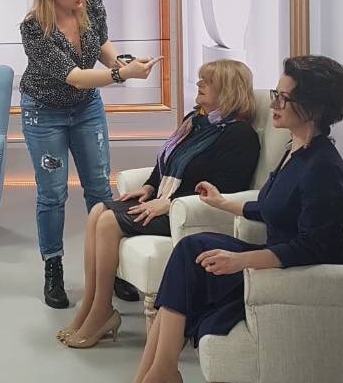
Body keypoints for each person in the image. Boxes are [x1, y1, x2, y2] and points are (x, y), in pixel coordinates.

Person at [93, 55, 343, 383]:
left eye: (283, 98)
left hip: (296, 275)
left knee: (191, 259)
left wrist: (240, 260)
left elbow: (313, 247)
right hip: (275, 259)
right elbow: (271, 206)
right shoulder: (295, 149)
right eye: (276, 94)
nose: (274, 103)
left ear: (313, 108)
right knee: (190, 250)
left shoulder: (324, 167)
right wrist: (222, 203)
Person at [58, 59, 261, 348]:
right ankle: (90, 306)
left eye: (208, 81)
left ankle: (102, 311)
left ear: (228, 89)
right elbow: (168, 159)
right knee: (98, 211)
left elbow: (224, 191)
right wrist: (149, 186)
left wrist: (169, 203)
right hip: (167, 201)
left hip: (191, 212)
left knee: (108, 221)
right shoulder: (195, 121)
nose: (199, 84)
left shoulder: (240, 135)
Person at [19, 0, 162, 308]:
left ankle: (109, 269)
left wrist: (125, 63)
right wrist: (121, 75)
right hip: (44, 112)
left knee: (99, 188)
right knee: (52, 193)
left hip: (86, 109)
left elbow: (103, 49)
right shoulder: (34, 28)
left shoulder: (92, 4)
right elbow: (76, 77)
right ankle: (53, 267)